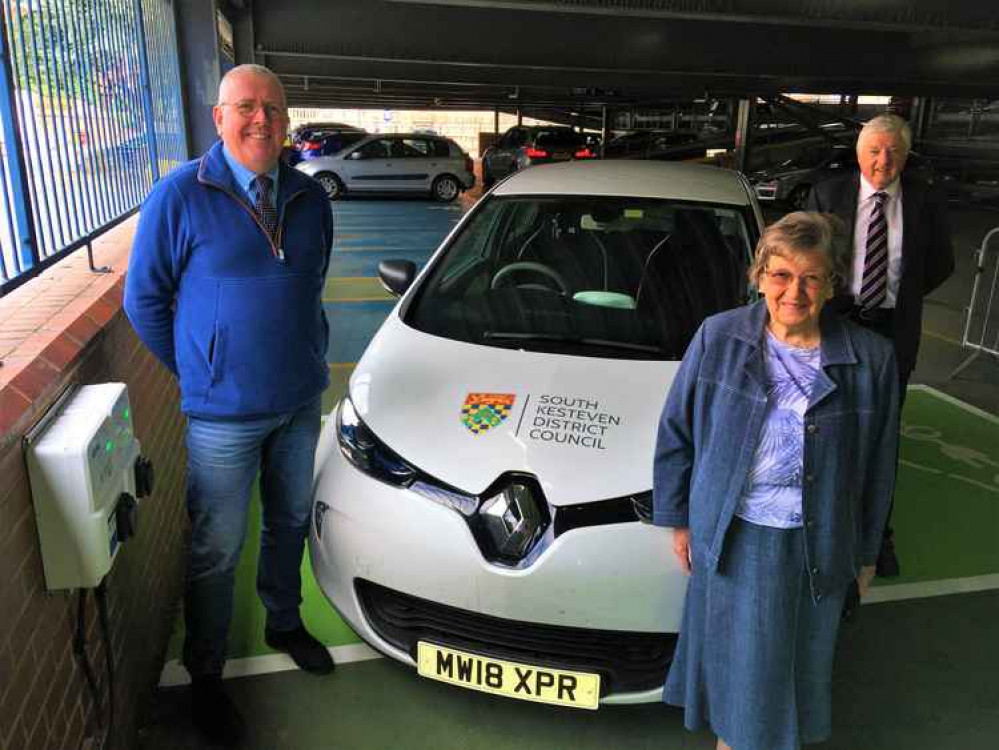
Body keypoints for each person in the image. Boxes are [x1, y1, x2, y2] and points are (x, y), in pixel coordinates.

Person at [124, 64, 335, 746]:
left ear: (285, 120)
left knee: (290, 521)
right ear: (218, 118)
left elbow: (310, 288)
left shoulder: (309, 198)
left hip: (299, 403)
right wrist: (199, 370)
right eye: (245, 108)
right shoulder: (179, 194)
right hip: (222, 417)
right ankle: (207, 675)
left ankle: (283, 618)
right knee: (217, 548)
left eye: (273, 109)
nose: (260, 121)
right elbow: (143, 301)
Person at [653, 212, 899, 750]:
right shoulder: (718, 338)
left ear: (832, 285)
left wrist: (865, 553)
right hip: (736, 537)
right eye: (782, 274)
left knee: (788, 680)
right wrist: (678, 521)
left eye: (812, 277)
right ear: (759, 275)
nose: (795, 290)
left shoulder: (872, 360)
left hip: (817, 542)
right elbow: (676, 432)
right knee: (743, 686)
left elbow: (880, 466)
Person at [807, 113, 955, 577]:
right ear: (858, 153)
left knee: (881, 436)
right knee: (824, 426)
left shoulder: (925, 201)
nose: (882, 160)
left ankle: (876, 536)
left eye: (892, 151)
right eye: (874, 150)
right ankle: (817, 527)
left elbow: (939, 265)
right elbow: (806, 253)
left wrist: (897, 296)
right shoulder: (828, 195)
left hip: (892, 333)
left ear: (905, 156)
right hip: (835, 326)